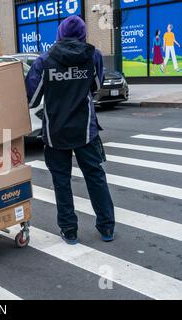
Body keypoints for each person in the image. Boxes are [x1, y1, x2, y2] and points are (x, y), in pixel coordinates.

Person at [26, 16, 115, 244]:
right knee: (95, 177)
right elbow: (95, 87)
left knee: (61, 181)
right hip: (86, 130)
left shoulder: (44, 61)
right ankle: (106, 228)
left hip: (56, 132)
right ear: (83, 34)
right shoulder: (92, 55)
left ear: (60, 33)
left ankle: (69, 231)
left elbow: (32, 98)